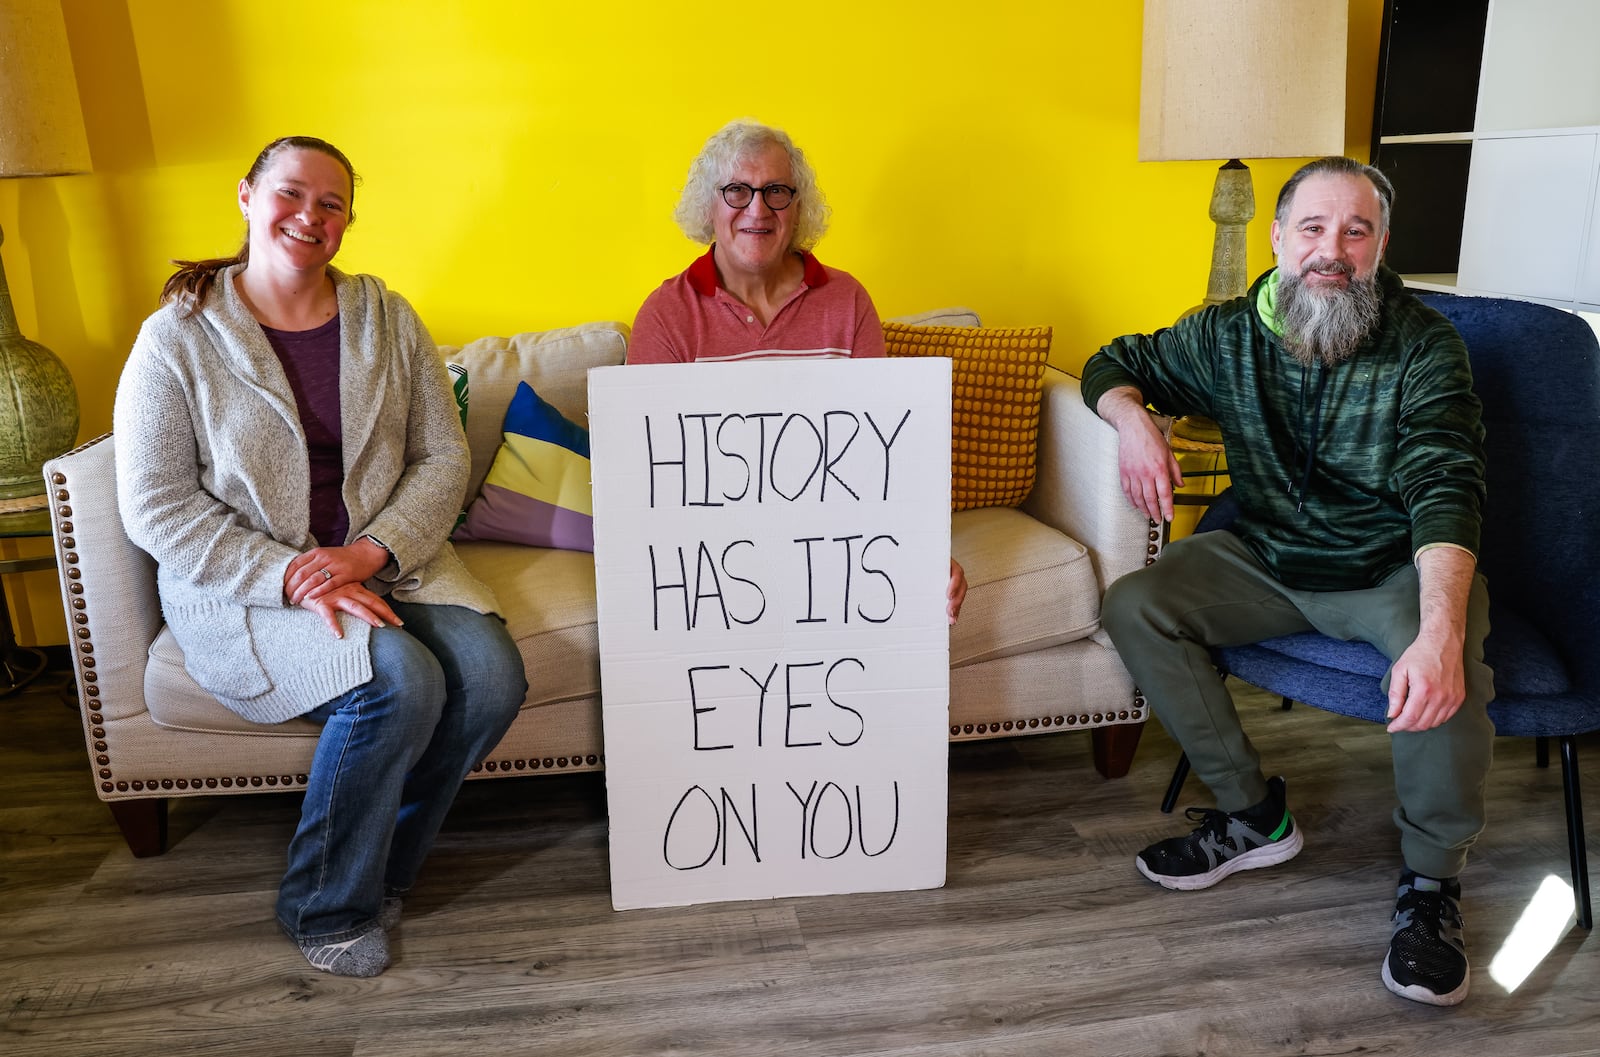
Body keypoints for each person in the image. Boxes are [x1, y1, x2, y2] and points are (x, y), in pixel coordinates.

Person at [113, 136, 527, 978]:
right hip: (250, 583)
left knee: (491, 677)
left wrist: (369, 551)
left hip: (387, 557)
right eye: (292, 194)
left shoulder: (386, 317)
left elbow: (441, 458)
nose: (311, 216)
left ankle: (381, 870)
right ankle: (324, 902)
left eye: (331, 203)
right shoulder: (176, 339)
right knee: (401, 678)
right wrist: (289, 575)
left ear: (347, 221)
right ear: (246, 196)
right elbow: (156, 503)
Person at [1083, 156, 1492, 1007]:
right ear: (1276, 239)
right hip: (1267, 555)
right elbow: (1113, 361)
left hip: (1390, 564)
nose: (1331, 250)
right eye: (1312, 228)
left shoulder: (1425, 345)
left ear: (1380, 245)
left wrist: (1441, 625)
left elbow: (1446, 482)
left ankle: (1431, 885)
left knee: (1444, 657)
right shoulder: (1226, 332)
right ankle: (1252, 816)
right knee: (1137, 602)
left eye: (1355, 230)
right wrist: (1133, 420)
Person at [630, 119, 966, 621]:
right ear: (710, 205)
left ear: (798, 205)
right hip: (714, 567)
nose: (758, 210)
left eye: (777, 191)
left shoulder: (847, 301)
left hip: (835, 549)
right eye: (738, 191)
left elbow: (881, 458)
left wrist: (922, 549)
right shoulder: (666, 315)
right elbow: (649, 482)